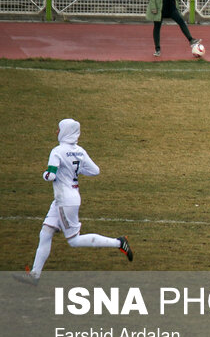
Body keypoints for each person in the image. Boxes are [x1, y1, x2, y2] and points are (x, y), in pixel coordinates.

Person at [12, 119, 133, 287]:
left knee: (74, 240)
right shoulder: (80, 151)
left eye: (58, 128)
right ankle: (35, 275)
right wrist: (74, 171)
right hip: (68, 197)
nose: (56, 131)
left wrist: (45, 174)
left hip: (64, 200)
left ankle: (119, 242)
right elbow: (95, 171)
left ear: (65, 131)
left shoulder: (57, 151)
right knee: (46, 232)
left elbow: (51, 175)